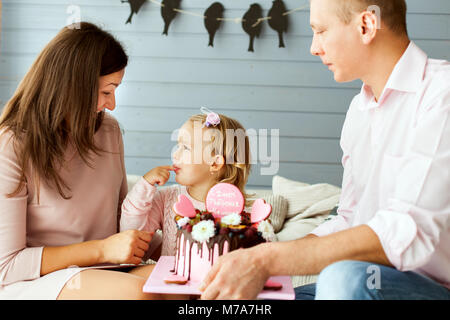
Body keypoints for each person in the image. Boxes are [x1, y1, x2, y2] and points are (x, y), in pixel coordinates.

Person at [199, 0, 450, 300]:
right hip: (360, 283)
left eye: (320, 30)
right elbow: (349, 220)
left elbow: (408, 231)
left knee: (342, 277)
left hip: (424, 287)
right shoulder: (359, 110)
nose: (314, 48)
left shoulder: (441, 94)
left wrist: (266, 261)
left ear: (367, 25)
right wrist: (259, 256)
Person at [0, 22, 163, 300]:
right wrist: (101, 250)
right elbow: (7, 265)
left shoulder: (108, 130)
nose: (111, 105)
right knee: (137, 294)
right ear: (73, 86)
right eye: (106, 91)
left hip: (106, 269)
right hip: (37, 280)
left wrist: (186, 243)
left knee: (182, 285)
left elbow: (124, 224)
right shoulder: (12, 144)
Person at [120, 110, 253, 272]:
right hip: (171, 290)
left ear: (215, 163)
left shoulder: (242, 212)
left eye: (186, 148)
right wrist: (144, 186)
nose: (175, 154)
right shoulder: (167, 198)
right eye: (178, 146)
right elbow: (132, 234)